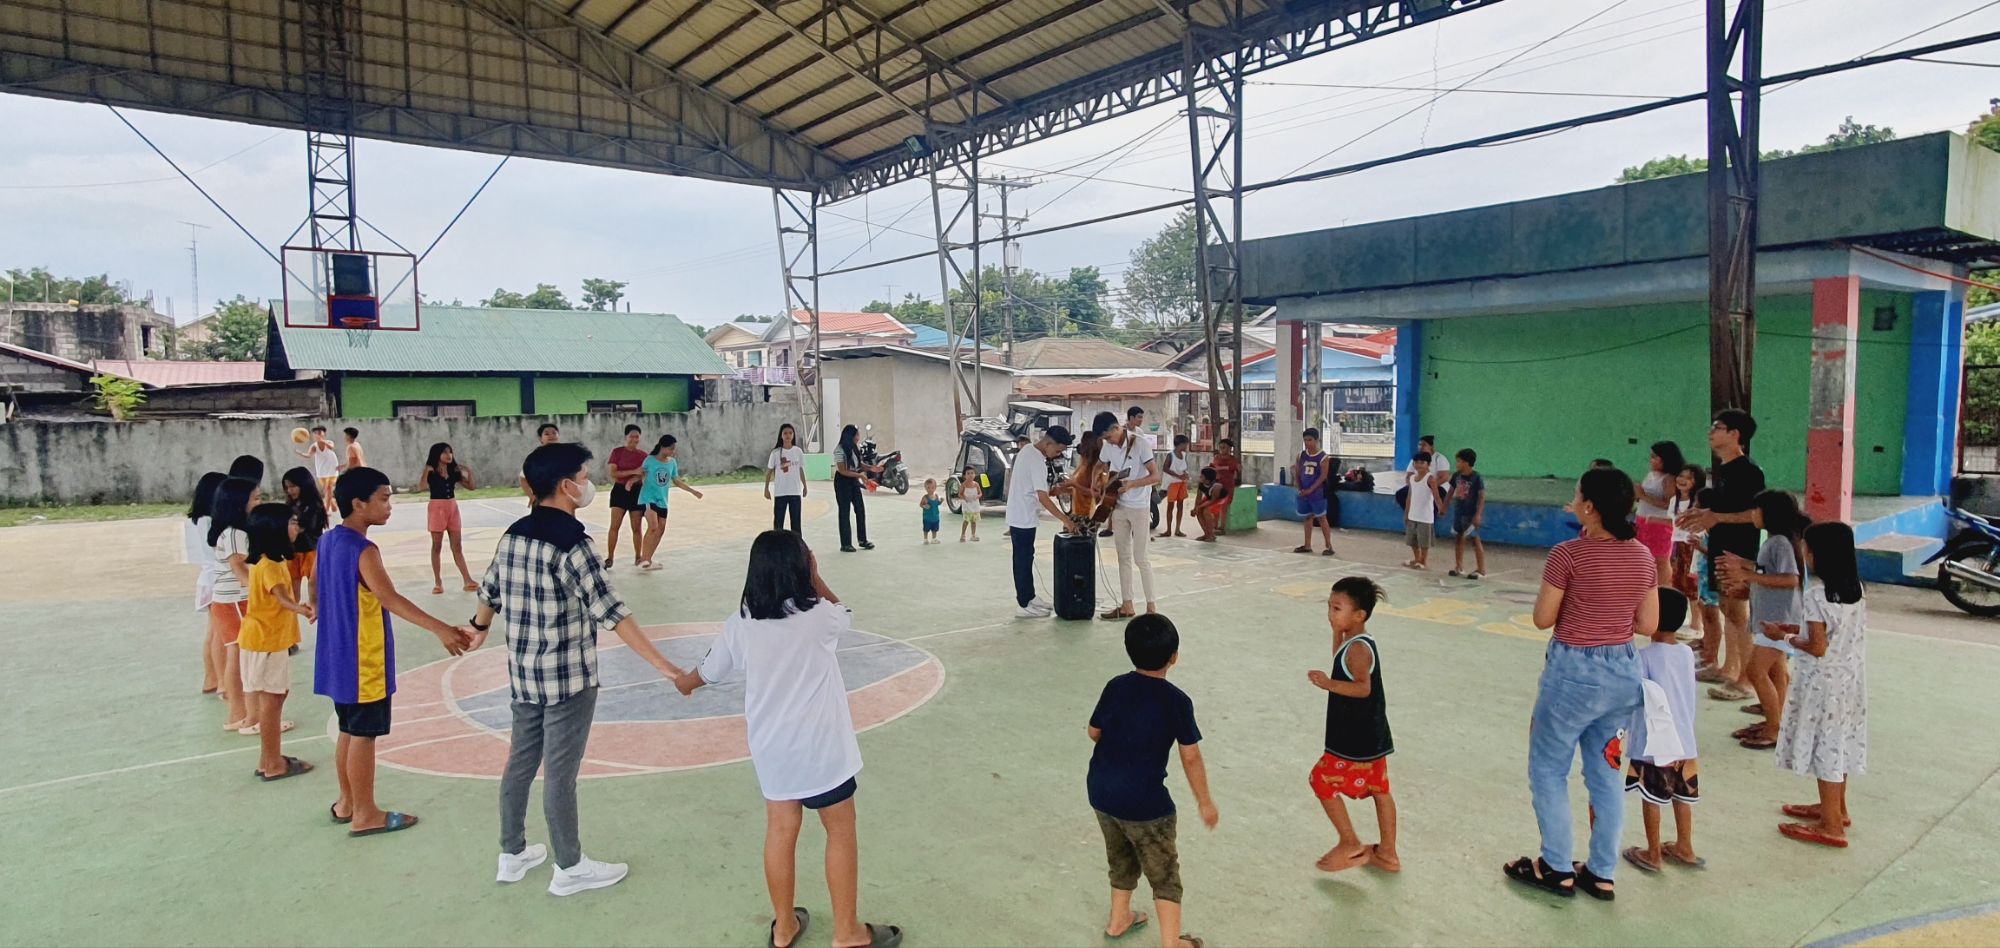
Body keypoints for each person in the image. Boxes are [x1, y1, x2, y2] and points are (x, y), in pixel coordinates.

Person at [468, 442, 692, 896]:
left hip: (524, 674)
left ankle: (512, 853)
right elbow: (614, 613)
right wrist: (668, 668)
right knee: (560, 774)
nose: (589, 484)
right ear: (566, 486)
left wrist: (477, 627)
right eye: (585, 477)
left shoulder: (514, 534)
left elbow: (490, 591)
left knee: (521, 761)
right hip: (568, 679)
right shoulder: (574, 544)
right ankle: (569, 867)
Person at [674, 531, 903, 948]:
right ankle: (847, 932)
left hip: (773, 749)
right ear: (803, 566)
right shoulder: (819, 617)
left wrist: (684, 683)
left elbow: (707, 673)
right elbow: (844, 613)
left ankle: (784, 927)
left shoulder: (741, 622)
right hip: (822, 749)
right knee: (840, 830)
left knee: (781, 830)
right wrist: (816, 578)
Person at [1504, 467, 1656, 901]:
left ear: (1589, 507)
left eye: (1577, 495)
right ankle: (1601, 872)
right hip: (1623, 673)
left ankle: (1555, 867)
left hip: (1573, 674)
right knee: (1606, 774)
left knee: (1549, 769)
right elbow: (1648, 623)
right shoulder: (1643, 556)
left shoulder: (1568, 555)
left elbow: (1543, 618)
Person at [315, 467, 473, 837]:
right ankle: (366, 814)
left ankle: (347, 802)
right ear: (358, 504)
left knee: (348, 729)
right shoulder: (364, 550)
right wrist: (440, 628)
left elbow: (314, 580)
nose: (390, 506)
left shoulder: (328, 540)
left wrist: (317, 604)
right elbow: (389, 598)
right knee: (363, 735)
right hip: (363, 660)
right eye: (384, 499)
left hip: (337, 655)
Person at [1086, 614, 1218, 948]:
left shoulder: (1115, 686)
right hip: (1147, 805)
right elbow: (1191, 756)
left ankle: (1119, 919)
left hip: (1102, 792)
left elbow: (1093, 732)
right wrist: (1205, 801)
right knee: (1164, 874)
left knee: (1120, 855)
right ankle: (1172, 943)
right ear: (1174, 656)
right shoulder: (1177, 701)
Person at [1772, 521, 1867, 849]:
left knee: (1825, 747)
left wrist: (1783, 637)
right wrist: (1794, 630)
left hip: (1822, 685)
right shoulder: (1856, 590)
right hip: (1849, 681)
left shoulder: (1816, 596)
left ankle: (1831, 826)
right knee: (1838, 743)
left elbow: (1817, 646)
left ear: (1818, 554)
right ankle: (1836, 808)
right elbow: (1830, 635)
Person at [1307, 577, 1398, 874]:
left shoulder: (1358, 649)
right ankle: (1387, 854)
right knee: (1380, 790)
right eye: (1329, 607)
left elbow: (1362, 688)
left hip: (1353, 739)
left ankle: (1349, 842)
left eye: (1337, 609)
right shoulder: (1354, 641)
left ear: (1359, 615)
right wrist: (1337, 631)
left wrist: (1327, 684)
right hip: (1372, 735)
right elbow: (1339, 657)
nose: (1330, 614)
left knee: (1321, 780)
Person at [1677, 410, 1765, 702]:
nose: (1711, 432)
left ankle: (1747, 681)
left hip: (1737, 550)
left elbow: (1754, 514)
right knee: (1728, 610)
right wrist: (1703, 514)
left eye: (1718, 427)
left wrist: (1715, 517)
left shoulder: (1749, 472)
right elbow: (1725, 509)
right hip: (1720, 546)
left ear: (1735, 434)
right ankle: (1730, 668)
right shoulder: (1725, 470)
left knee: (1738, 613)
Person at [1621, 589, 1704, 874]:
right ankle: (1685, 846)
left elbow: (1635, 695)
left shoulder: (1643, 656)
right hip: (1684, 740)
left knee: (1651, 797)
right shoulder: (1686, 653)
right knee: (1682, 795)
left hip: (1655, 743)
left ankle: (1653, 853)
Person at [1720, 490, 1807, 750]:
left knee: (1756, 671)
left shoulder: (1780, 542)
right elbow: (1768, 570)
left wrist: (1747, 576)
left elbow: (1790, 579)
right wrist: (1744, 565)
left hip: (1779, 619)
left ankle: (1774, 729)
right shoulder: (1774, 541)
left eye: (1756, 510)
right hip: (1771, 616)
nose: (1752, 515)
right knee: (1776, 671)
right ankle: (1777, 721)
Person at [240, 502, 315, 775]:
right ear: (275, 530)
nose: (297, 527)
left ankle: (269, 758)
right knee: (272, 701)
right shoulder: (270, 566)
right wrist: (303, 609)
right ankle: (272, 763)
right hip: (266, 642)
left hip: (268, 640)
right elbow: (282, 597)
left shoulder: (272, 562)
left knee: (276, 696)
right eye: (292, 523)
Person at [1096, 412, 1161, 620]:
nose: (1108, 442)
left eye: (1109, 437)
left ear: (1117, 428)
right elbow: (1099, 465)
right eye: (1104, 439)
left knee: (1141, 557)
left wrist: (1133, 484)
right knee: (1122, 556)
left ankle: (1151, 607)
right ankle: (1127, 605)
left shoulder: (1140, 443)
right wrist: (1097, 483)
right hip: (1118, 504)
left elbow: (1156, 476)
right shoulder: (1108, 446)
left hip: (1140, 506)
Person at [1007, 426, 1078, 618]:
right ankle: (1024, 604)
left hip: (1022, 514)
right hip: (1023, 516)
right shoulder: (1036, 460)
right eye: (1058, 450)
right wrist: (1066, 520)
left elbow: (1037, 490)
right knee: (1023, 560)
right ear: (1048, 443)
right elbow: (1042, 497)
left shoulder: (1028, 450)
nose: (1058, 455)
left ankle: (1029, 597)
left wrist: (1054, 491)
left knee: (1026, 557)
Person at [209, 475, 261, 731]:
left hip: (232, 601)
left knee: (239, 653)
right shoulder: (235, 534)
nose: (259, 502)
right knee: (239, 654)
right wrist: (262, 591)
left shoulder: (236, 532)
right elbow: (239, 568)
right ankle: (240, 714)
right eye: (255, 498)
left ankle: (243, 713)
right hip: (235, 602)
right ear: (239, 503)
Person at [416, 442, 480, 595]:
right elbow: (421, 487)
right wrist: (426, 471)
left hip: (452, 507)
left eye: (450, 452)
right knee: (436, 546)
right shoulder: (431, 471)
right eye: (444, 452)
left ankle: (467, 579)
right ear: (437, 454)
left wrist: (468, 472)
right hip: (437, 508)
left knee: (457, 546)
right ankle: (438, 582)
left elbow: (471, 487)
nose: (448, 455)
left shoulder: (453, 471)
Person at [185, 471, 227, 696]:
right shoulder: (212, 521)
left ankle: (211, 678)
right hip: (216, 579)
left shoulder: (194, 521)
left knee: (213, 632)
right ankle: (221, 681)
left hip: (206, 579)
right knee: (219, 634)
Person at [638, 435, 704, 570]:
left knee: (661, 529)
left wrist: (693, 491)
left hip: (663, 500)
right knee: (653, 526)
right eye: (671, 448)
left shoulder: (672, 463)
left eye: (674, 449)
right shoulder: (650, 460)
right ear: (662, 447)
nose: (673, 451)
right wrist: (636, 480)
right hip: (648, 498)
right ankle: (644, 559)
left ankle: (648, 559)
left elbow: (676, 480)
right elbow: (641, 475)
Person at [1637, 442, 1686, 585]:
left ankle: (1663, 588)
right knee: (1644, 557)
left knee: (1660, 560)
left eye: (1654, 457)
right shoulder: (1651, 475)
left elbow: (1670, 504)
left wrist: (1643, 496)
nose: (1651, 460)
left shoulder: (1669, 478)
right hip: (1643, 520)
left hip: (1659, 523)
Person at [1668, 466, 1706, 636]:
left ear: (1696, 482)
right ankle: (1684, 619)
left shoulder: (1698, 503)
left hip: (1692, 545)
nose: (1682, 480)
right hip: (1677, 544)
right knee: (1678, 582)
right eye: (1680, 476)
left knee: (1691, 584)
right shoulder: (1674, 501)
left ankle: (1697, 625)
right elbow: (1673, 523)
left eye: (1688, 478)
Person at [282, 467, 328, 605]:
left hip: (311, 551)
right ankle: (292, 612)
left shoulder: (314, 505)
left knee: (315, 589)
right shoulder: (290, 505)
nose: (290, 490)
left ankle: (318, 611)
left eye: (293, 486)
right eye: (287, 487)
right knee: (292, 591)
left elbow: (306, 526)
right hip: (293, 552)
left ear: (304, 484)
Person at [833, 425, 879, 553]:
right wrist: (860, 476)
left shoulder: (854, 448)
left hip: (853, 480)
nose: (858, 437)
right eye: (857, 435)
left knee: (860, 509)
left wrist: (871, 468)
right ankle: (846, 543)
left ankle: (862, 540)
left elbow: (858, 465)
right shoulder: (839, 449)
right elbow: (842, 470)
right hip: (842, 482)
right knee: (844, 512)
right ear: (850, 436)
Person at [607, 425, 648, 568]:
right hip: (619, 491)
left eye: (637, 436)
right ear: (626, 437)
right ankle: (610, 557)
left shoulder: (643, 455)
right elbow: (613, 473)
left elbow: (644, 474)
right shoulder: (617, 452)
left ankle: (638, 556)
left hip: (637, 492)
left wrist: (633, 479)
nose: (634, 439)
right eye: (631, 436)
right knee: (615, 526)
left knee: (636, 527)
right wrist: (633, 471)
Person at [1294, 428, 1336, 556]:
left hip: (1317, 493)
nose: (1307, 443)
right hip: (1304, 492)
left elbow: (1323, 476)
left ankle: (1329, 546)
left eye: (1310, 440)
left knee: (1321, 518)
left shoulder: (1323, 457)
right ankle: (1307, 545)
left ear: (1317, 440)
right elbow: (1297, 472)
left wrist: (1311, 490)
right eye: (1305, 440)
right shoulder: (1301, 455)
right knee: (1307, 517)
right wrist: (1300, 488)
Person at [1447, 448, 1487, 579]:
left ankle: (1481, 569)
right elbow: (1450, 492)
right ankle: (1459, 566)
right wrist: (1444, 506)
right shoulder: (1456, 476)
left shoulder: (1476, 478)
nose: (1457, 464)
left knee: (1475, 539)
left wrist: (1478, 514)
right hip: (1459, 512)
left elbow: (1481, 496)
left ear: (1467, 463)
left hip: (1471, 513)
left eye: (1459, 461)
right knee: (1459, 538)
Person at [1402, 452, 1443, 571]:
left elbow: (1436, 496)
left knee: (1424, 541)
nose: (1418, 465)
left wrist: (1441, 508)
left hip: (1425, 517)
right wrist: (1406, 513)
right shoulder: (1412, 478)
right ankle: (1417, 558)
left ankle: (1423, 561)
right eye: (1416, 462)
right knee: (1412, 540)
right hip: (1413, 515)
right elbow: (1409, 497)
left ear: (1428, 464)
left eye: (1422, 462)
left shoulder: (1430, 479)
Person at [765, 423, 808, 534]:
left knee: (796, 523)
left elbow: (800, 469)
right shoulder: (775, 453)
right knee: (778, 523)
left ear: (793, 435)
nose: (788, 435)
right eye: (785, 433)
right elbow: (769, 472)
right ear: (781, 435)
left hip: (795, 492)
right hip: (781, 492)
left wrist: (805, 485)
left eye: (790, 433)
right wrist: (766, 489)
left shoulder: (798, 451)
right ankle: (777, 543)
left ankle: (797, 543)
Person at [1064, 430, 1105, 526]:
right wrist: (1063, 489)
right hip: (1077, 512)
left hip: (1088, 515)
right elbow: (1078, 489)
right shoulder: (1083, 463)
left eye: (1082, 442)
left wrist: (1074, 485)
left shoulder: (1096, 468)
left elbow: (1096, 494)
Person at [298, 425, 341, 514]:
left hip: (332, 468)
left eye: (320, 433)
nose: (317, 434)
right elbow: (309, 455)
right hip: (321, 470)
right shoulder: (314, 446)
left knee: (328, 488)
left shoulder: (329, 442)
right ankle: (333, 505)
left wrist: (321, 440)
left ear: (324, 434)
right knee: (326, 490)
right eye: (316, 433)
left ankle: (326, 510)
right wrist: (301, 453)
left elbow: (331, 447)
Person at [520, 422, 563, 506]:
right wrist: (531, 495)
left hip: (563, 501)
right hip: (543, 501)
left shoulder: (566, 454)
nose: (551, 436)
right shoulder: (536, 456)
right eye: (547, 434)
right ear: (541, 439)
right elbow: (522, 477)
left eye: (554, 433)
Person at [1157, 435, 1191, 539]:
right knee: (1170, 506)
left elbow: (1183, 468)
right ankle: (1168, 529)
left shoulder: (1183, 455)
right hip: (1172, 483)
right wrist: (1178, 476)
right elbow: (1165, 468)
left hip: (1181, 483)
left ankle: (1177, 529)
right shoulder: (1170, 455)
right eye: (1185, 444)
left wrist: (1185, 474)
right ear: (1180, 444)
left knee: (1180, 505)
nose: (1186, 446)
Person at [1192, 467, 1232, 543]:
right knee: (1198, 511)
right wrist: (1195, 508)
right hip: (1210, 497)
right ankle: (1206, 534)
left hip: (1220, 499)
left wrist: (1199, 507)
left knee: (1206, 511)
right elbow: (1198, 498)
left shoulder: (1217, 486)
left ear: (1207, 480)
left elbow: (1213, 501)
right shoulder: (1201, 484)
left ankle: (1211, 535)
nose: (1200, 477)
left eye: (1202, 476)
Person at [958, 465, 983, 542]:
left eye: (972, 473)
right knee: (966, 521)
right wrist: (964, 497)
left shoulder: (976, 484)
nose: (970, 475)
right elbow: (960, 494)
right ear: (964, 475)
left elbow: (980, 493)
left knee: (974, 521)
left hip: (975, 506)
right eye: (968, 473)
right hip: (967, 506)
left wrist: (977, 496)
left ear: (974, 474)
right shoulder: (963, 485)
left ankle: (973, 535)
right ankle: (963, 535)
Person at [919, 478, 942, 545]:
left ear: (935, 488)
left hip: (935, 517)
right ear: (925, 488)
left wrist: (941, 501)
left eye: (932, 487)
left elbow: (937, 503)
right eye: (928, 488)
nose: (930, 489)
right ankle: (925, 539)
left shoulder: (936, 496)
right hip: (927, 517)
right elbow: (921, 504)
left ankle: (934, 539)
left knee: (934, 529)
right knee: (926, 529)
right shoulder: (925, 497)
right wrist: (924, 506)